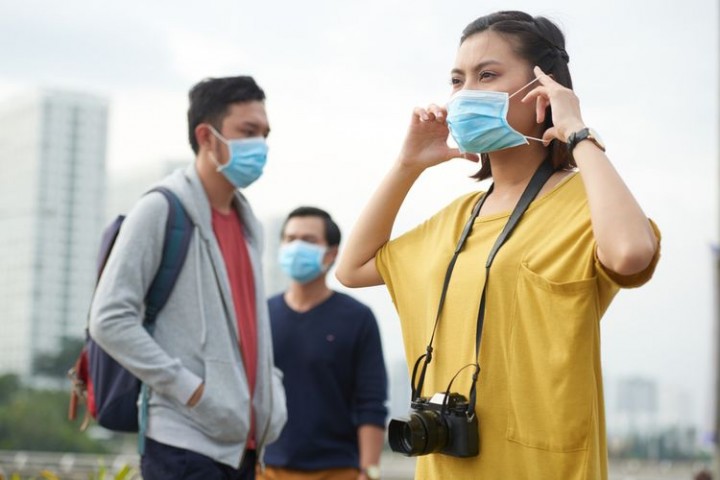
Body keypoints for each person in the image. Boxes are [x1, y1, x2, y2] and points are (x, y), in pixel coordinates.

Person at [335, 10, 661, 480]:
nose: (465, 93)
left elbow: (631, 253)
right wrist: (407, 165)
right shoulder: (457, 219)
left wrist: (578, 133)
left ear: (542, 92)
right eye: (456, 80)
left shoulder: (585, 204)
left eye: (487, 75)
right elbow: (353, 267)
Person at [89, 76, 287, 480]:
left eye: (265, 134)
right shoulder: (161, 210)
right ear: (207, 136)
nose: (261, 147)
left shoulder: (251, 227)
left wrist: (272, 392)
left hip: (244, 447)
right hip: (183, 446)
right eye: (248, 132)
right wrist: (190, 389)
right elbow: (109, 318)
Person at [261, 206, 388, 480]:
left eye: (308, 240)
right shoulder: (261, 315)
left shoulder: (357, 318)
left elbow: (371, 402)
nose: (296, 246)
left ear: (331, 254)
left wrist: (370, 471)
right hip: (266, 468)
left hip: (337, 469)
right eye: (290, 238)